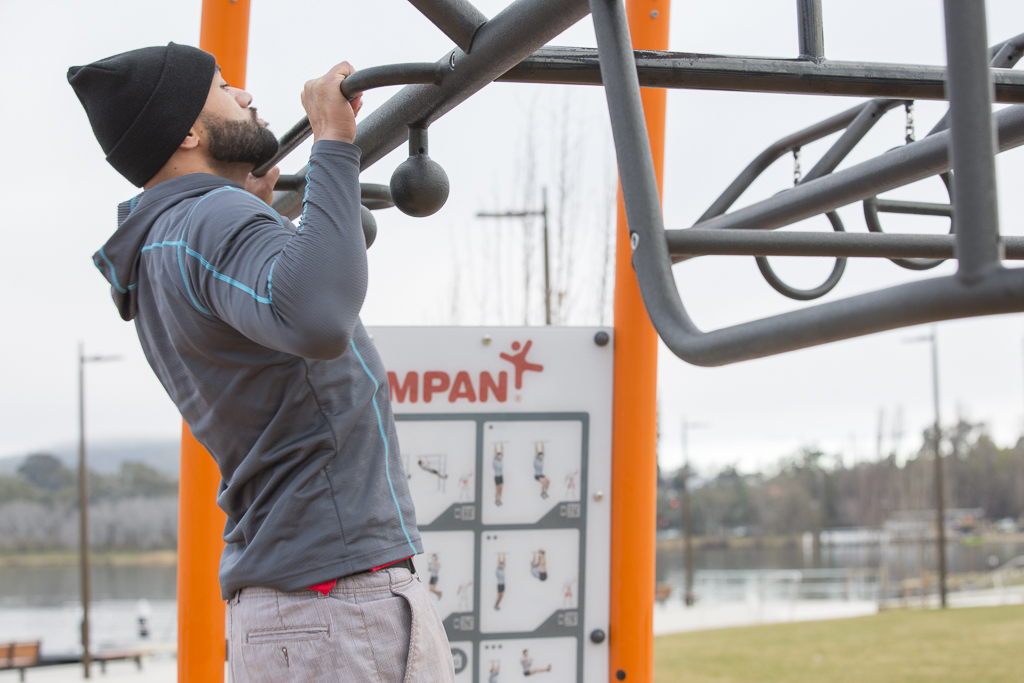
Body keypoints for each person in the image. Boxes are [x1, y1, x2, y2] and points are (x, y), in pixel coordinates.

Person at [68, 43, 453, 682]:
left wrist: (257, 210)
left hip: (302, 606)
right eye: (222, 87)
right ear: (188, 130)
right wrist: (333, 142)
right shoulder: (211, 218)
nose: (245, 94)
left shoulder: (165, 243)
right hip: (337, 603)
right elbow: (319, 315)